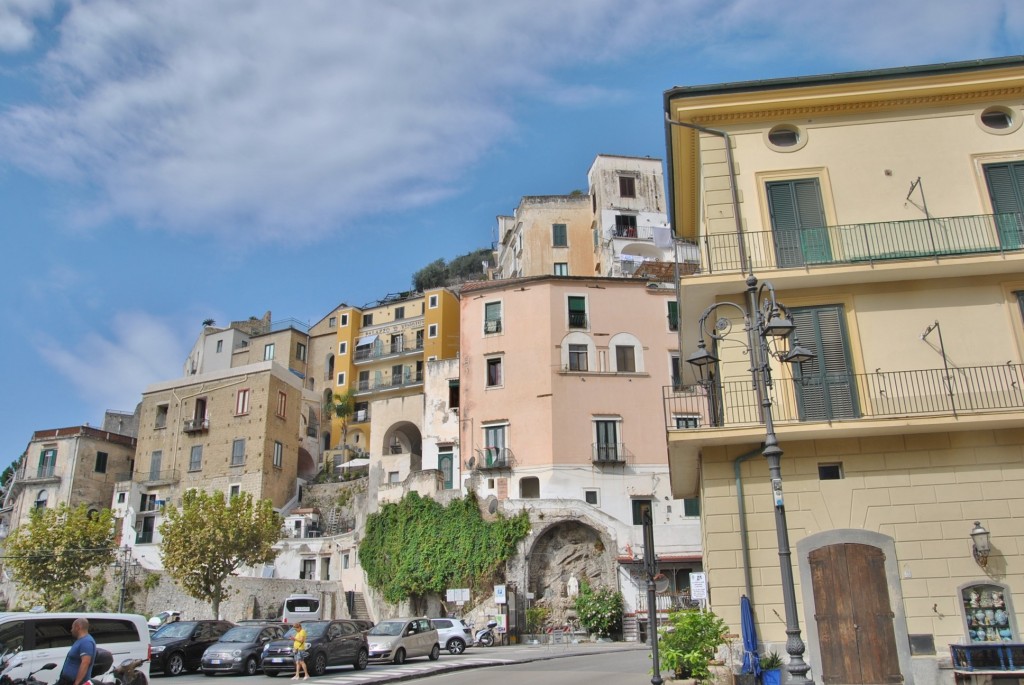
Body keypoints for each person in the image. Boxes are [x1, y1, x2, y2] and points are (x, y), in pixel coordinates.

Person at [57, 618, 96, 685]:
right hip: (66, 681)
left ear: (78, 627)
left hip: (73, 682)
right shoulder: (81, 640)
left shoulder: (86, 642)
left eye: (72, 627)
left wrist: (77, 683)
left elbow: (85, 663)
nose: (71, 630)